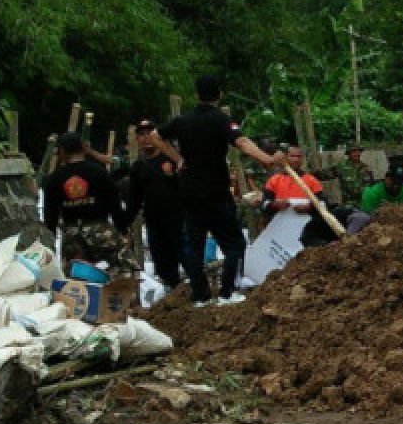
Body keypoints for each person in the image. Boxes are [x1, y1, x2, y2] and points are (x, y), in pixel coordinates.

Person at [153, 74, 282, 307]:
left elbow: (155, 136)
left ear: (197, 94)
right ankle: (227, 292)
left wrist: (178, 158)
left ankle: (200, 296)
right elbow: (242, 142)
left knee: (195, 245)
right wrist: (268, 160)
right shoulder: (221, 120)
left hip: (189, 190)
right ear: (219, 93)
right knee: (234, 243)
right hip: (215, 190)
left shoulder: (183, 120)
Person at [44, 132, 139, 278]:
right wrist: (123, 230)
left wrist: (49, 247)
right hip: (100, 231)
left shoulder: (53, 179)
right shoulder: (98, 172)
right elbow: (115, 205)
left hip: (71, 235)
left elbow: (50, 218)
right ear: (83, 148)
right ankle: (124, 299)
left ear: (61, 152)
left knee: (76, 280)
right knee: (125, 270)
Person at [127, 119, 185, 288]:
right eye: (141, 135)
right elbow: (134, 198)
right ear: (137, 139)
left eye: (149, 134)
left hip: (178, 218)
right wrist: (125, 223)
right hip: (154, 221)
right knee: (162, 261)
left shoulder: (173, 160)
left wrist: (172, 176)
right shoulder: (138, 167)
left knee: (184, 255)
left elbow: (188, 186)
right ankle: (171, 292)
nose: (146, 138)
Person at [262, 146, 323, 218]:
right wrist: (274, 205)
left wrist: (309, 207)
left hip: (306, 223)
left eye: (299, 156)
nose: (296, 159)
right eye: (292, 156)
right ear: (286, 158)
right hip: (280, 222)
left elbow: (322, 203)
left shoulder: (311, 180)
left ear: (302, 159)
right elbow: (264, 203)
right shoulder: (274, 180)